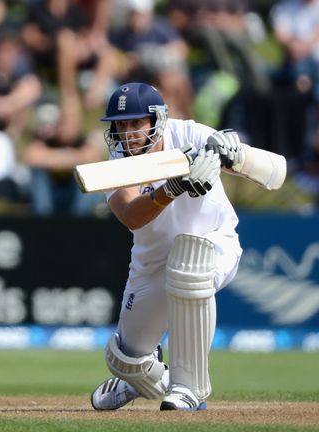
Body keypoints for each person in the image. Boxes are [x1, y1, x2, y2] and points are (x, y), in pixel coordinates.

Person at [89, 82, 243, 411]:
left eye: (135, 123)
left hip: (215, 242)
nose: (127, 133)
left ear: (156, 120)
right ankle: (144, 378)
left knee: (190, 267)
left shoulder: (188, 134)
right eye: (121, 125)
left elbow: (235, 157)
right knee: (123, 357)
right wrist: (171, 187)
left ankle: (189, 388)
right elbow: (132, 215)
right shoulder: (117, 164)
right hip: (152, 264)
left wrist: (231, 147)